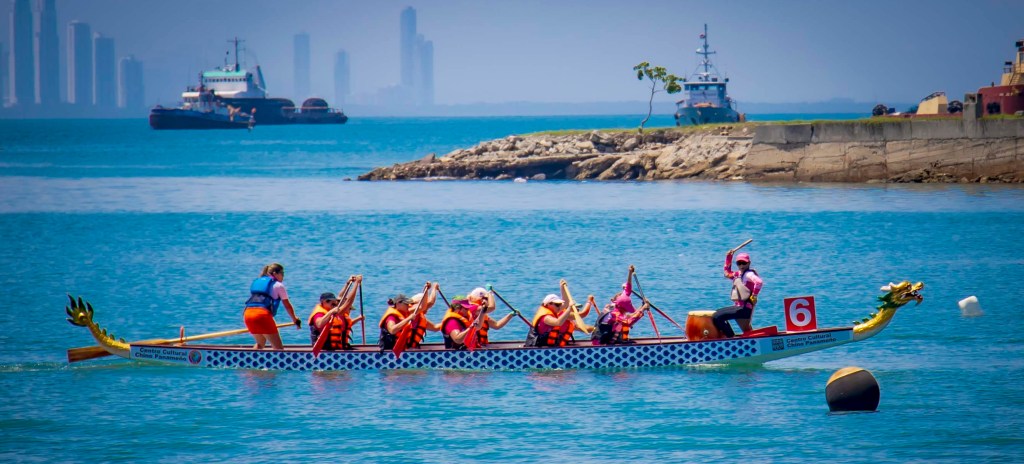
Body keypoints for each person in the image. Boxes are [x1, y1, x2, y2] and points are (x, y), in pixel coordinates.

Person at [243, 262, 301, 349]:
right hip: (261, 316)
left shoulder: (258, 282)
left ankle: (250, 357)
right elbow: (287, 306)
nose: (283, 276)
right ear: (275, 273)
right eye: (282, 273)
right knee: (278, 349)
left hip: (247, 314)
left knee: (260, 343)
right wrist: (295, 320)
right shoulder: (279, 286)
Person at [712, 251, 763, 337]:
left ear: (749, 263)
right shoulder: (738, 274)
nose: (741, 266)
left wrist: (754, 295)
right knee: (716, 314)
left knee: (717, 317)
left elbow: (759, 282)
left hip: (744, 309)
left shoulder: (748, 274)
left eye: (744, 263)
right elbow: (727, 273)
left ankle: (730, 337)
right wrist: (729, 258)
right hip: (738, 307)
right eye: (739, 263)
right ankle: (729, 336)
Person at [378, 284, 441, 351]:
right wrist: (409, 319)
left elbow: (423, 306)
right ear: (398, 303)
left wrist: (427, 290)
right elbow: (392, 330)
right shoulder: (391, 316)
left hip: (404, 349)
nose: (408, 305)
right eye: (406, 304)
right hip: (389, 350)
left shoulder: (406, 312)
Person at [307, 276, 363, 350]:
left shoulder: (336, 312)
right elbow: (319, 324)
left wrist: (348, 283)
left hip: (339, 348)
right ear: (323, 302)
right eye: (329, 301)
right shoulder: (319, 313)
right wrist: (356, 284)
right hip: (324, 350)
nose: (334, 304)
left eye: (334, 302)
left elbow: (341, 297)